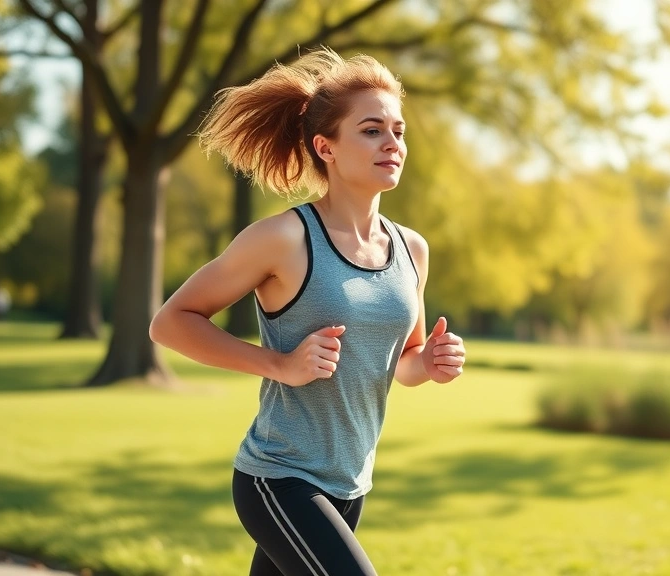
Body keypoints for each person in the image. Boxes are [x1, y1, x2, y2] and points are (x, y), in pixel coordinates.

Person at [149, 47, 467, 576]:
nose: (392, 143)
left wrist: (429, 364)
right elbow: (171, 322)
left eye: (398, 130)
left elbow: (404, 363)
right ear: (327, 147)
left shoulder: (411, 250)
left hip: (350, 482)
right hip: (280, 477)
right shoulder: (285, 238)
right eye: (371, 130)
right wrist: (279, 364)